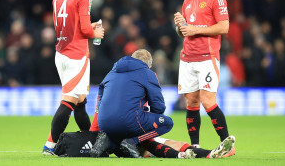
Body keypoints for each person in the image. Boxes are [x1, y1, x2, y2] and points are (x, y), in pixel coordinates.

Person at [89, 49, 235, 159]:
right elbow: (159, 107)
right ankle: (208, 154)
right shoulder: (147, 74)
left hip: (105, 128)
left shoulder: (111, 73)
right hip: (132, 128)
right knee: (163, 129)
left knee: (146, 143)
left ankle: (112, 142)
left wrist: (94, 132)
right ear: (149, 65)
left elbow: (99, 105)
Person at [42, 0, 105, 155]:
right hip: (76, 54)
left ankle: (91, 141)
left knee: (80, 101)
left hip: (61, 51)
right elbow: (85, 30)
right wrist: (96, 33)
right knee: (69, 101)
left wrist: (89, 26)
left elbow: (71, 25)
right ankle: (49, 146)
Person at [173, 0, 234, 154]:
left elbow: (224, 27)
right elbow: (184, 32)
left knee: (208, 101)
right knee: (191, 101)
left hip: (207, 57)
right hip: (187, 58)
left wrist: (194, 30)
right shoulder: (187, 2)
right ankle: (195, 146)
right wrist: (180, 26)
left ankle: (227, 144)